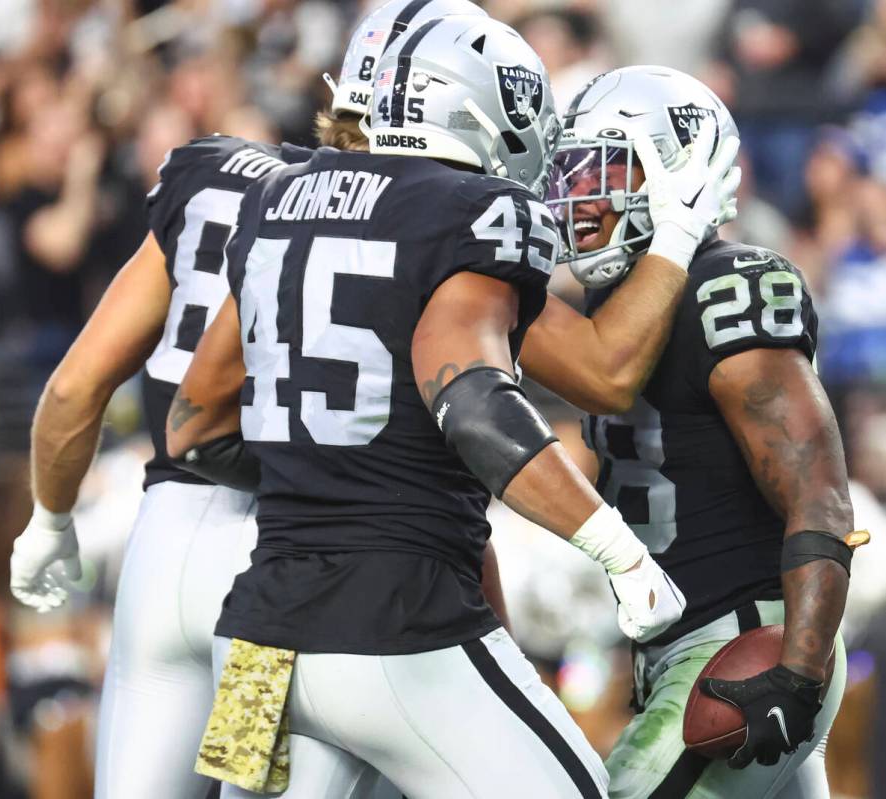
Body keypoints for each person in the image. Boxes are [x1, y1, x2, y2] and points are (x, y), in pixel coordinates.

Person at [167, 17, 738, 799]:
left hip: (258, 641)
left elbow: (192, 424)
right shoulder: (466, 211)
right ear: (463, 105)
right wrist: (620, 552)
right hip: (393, 618)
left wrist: (327, 467)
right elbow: (472, 401)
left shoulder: (273, 200)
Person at [6, 2, 488, 797]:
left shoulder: (211, 174)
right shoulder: (418, 214)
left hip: (162, 552)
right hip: (283, 564)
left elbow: (74, 385)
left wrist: (49, 522)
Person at [523, 65, 856, 798]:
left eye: (599, 168)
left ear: (673, 170)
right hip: (677, 646)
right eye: (566, 171)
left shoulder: (725, 284)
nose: (575, 195)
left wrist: (795, 669)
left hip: (743, 641)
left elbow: (820, 494)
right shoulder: (610, 302)